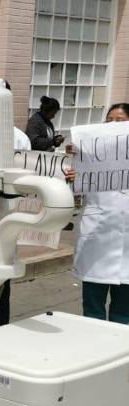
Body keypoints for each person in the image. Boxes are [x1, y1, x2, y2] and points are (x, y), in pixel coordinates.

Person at [73, 103, 129, 324]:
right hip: (96, 237)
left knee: (124, 310)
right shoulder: (89, 153)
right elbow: (76, 191)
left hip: (126, 243)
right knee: (92, 307)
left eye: (120, 120)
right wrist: (72, 174)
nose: (113, 124)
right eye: (109, 120)